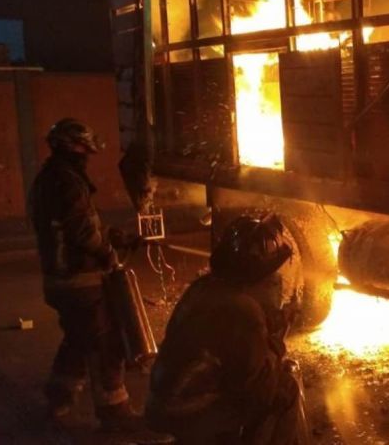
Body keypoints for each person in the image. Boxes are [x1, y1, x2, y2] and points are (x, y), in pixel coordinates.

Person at [145, 214, 309, 445]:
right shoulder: (244, 311)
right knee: (285, 386)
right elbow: (257, 392)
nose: (277, 283)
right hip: (192, 414)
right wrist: (275, 343)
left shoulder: (204, 288)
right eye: (273, 276)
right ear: (258, 275)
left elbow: (223, 342)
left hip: (161, 404)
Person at [28, 118, 147, 433]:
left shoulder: (49, 178)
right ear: (73, 147)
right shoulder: (68, 181)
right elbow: (81, 231)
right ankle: (115, 413)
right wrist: (108, 253)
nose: (87, 155)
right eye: (84, 149)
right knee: (105, 341)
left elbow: (80, 225)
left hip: (58, 278)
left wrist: (115, 236)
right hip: (78, 279)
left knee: (78, 339)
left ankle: (59, 397)